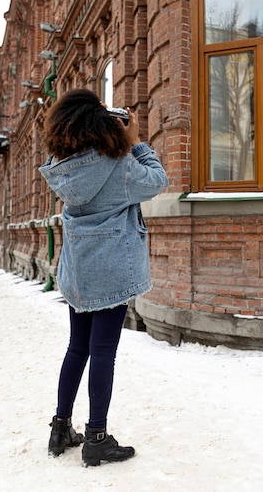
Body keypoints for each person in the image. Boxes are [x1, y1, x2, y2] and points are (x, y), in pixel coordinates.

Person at [38, 88, 168, 467]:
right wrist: (136, 140)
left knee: (77, 348)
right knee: (103, 353)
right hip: (111, 272)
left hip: (79, 274)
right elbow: (158, 180)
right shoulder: (121, 166)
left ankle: (60, 427)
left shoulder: (64, 168)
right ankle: (96, 437)